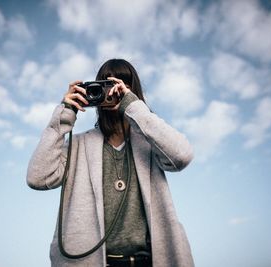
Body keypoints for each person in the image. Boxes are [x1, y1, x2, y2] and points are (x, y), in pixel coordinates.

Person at [27, 59, 194, 267]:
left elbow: (182, 156)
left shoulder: (151, 142)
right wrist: (65, 112)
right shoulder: (78, 145)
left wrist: (134, 107)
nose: (114, 90)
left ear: (134, 93)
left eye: (122, 84)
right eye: (105, 84)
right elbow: (38, 177)